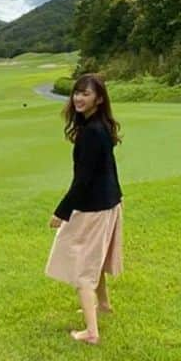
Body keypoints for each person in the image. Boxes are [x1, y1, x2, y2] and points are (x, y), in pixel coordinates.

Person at [45, 73, 123, 344]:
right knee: (94, 258)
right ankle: (103, 305)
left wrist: (61, 212)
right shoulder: (97, 127)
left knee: (82, 265)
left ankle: (91, 332)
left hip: (95, 208)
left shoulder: (93, 133)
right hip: (106, 203)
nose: (78, 98)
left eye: (86, 94)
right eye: (76, 93)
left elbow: (83, 180)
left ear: (99, 99)